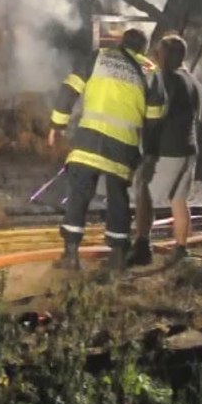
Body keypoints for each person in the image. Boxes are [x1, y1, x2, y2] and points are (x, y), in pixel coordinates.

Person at [47, 28, 166, 271]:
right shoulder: (151, 71)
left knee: (78, 194)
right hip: (123, 146)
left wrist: (57, 126)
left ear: (121, 43)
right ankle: (118, 255)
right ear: (142, 49)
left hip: (89, 139)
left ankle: (71, 255)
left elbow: (69, 89)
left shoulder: (99, 56)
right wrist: (151, 152)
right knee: (118, 197)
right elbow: (155, 118)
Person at [129, 34, 202, 266]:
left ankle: (142, 246)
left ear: (167, 55)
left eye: (159, 52)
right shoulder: (193, 81)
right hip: (189, 149)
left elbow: (154, 114)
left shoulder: (165, 80)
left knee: (144, 194)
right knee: (179, 200)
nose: (155, 55)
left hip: (167, 150)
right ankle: (181, 249)